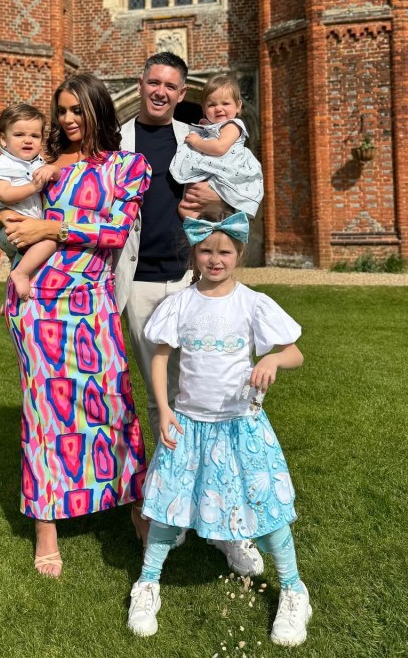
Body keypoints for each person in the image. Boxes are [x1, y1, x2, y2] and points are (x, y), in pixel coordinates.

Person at [0, 73, 152, 578]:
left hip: (93, 301)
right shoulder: (47, 166)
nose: (68, 120)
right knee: (44, 415)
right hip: (39, 303)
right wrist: (1, 223)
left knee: (113, 405)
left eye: (77, 110)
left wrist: (51, 227)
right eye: (62, 111)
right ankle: (46, 526)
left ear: (100, 109)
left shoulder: (130, 167)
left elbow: (116, 230)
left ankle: (137, 512)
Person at [126, 206, 311, 647]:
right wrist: (165, 409)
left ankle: (294, 590)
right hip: (189, 424)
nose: (215, 259)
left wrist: (271, 358)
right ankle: (148, 583)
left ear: (238, 254)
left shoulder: (252, 304)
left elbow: (296, 353)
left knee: (263, 506)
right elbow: (161, 357)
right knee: (169, 505)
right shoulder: (180, 304)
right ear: (193, 254)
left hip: (240, 426)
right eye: (206, 250)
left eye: (224, 251)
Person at [116, 52, 263, 577]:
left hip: (191, 281)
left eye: (171, 85)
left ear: (182, 94)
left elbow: (242, 199)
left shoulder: (198, 138)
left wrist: (209, 203)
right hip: (136, 284)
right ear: (141, 85)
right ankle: (176, 510)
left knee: (216, 396)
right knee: (164, 403)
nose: (160, 91)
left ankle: (228, 524)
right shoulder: (117, 141)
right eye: (153, 82)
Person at [0, 102, 56, 300]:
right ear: (3, 139)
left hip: (25, 226)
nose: (28, 140)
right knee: (50, 240)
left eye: (34, 136)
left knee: (19, 260)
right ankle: (20, 275)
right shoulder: (3, 164)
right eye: (19, 135)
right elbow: (4, 194)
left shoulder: (38, 163)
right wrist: (33, 187)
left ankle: (10, 298)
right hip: (10, 228)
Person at [170, 72, 264, 219]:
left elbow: (220, 147)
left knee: (213, 209)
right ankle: (203, 233)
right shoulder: (210, 127)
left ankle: (224, 227)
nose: (218, 108)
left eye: (225, 103)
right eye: (212, 105)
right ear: (204, 108)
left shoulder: (232, 125)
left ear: (238, 106)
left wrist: (197, 142)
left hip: (227, 173)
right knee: (184, 208)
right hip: (212, 173)